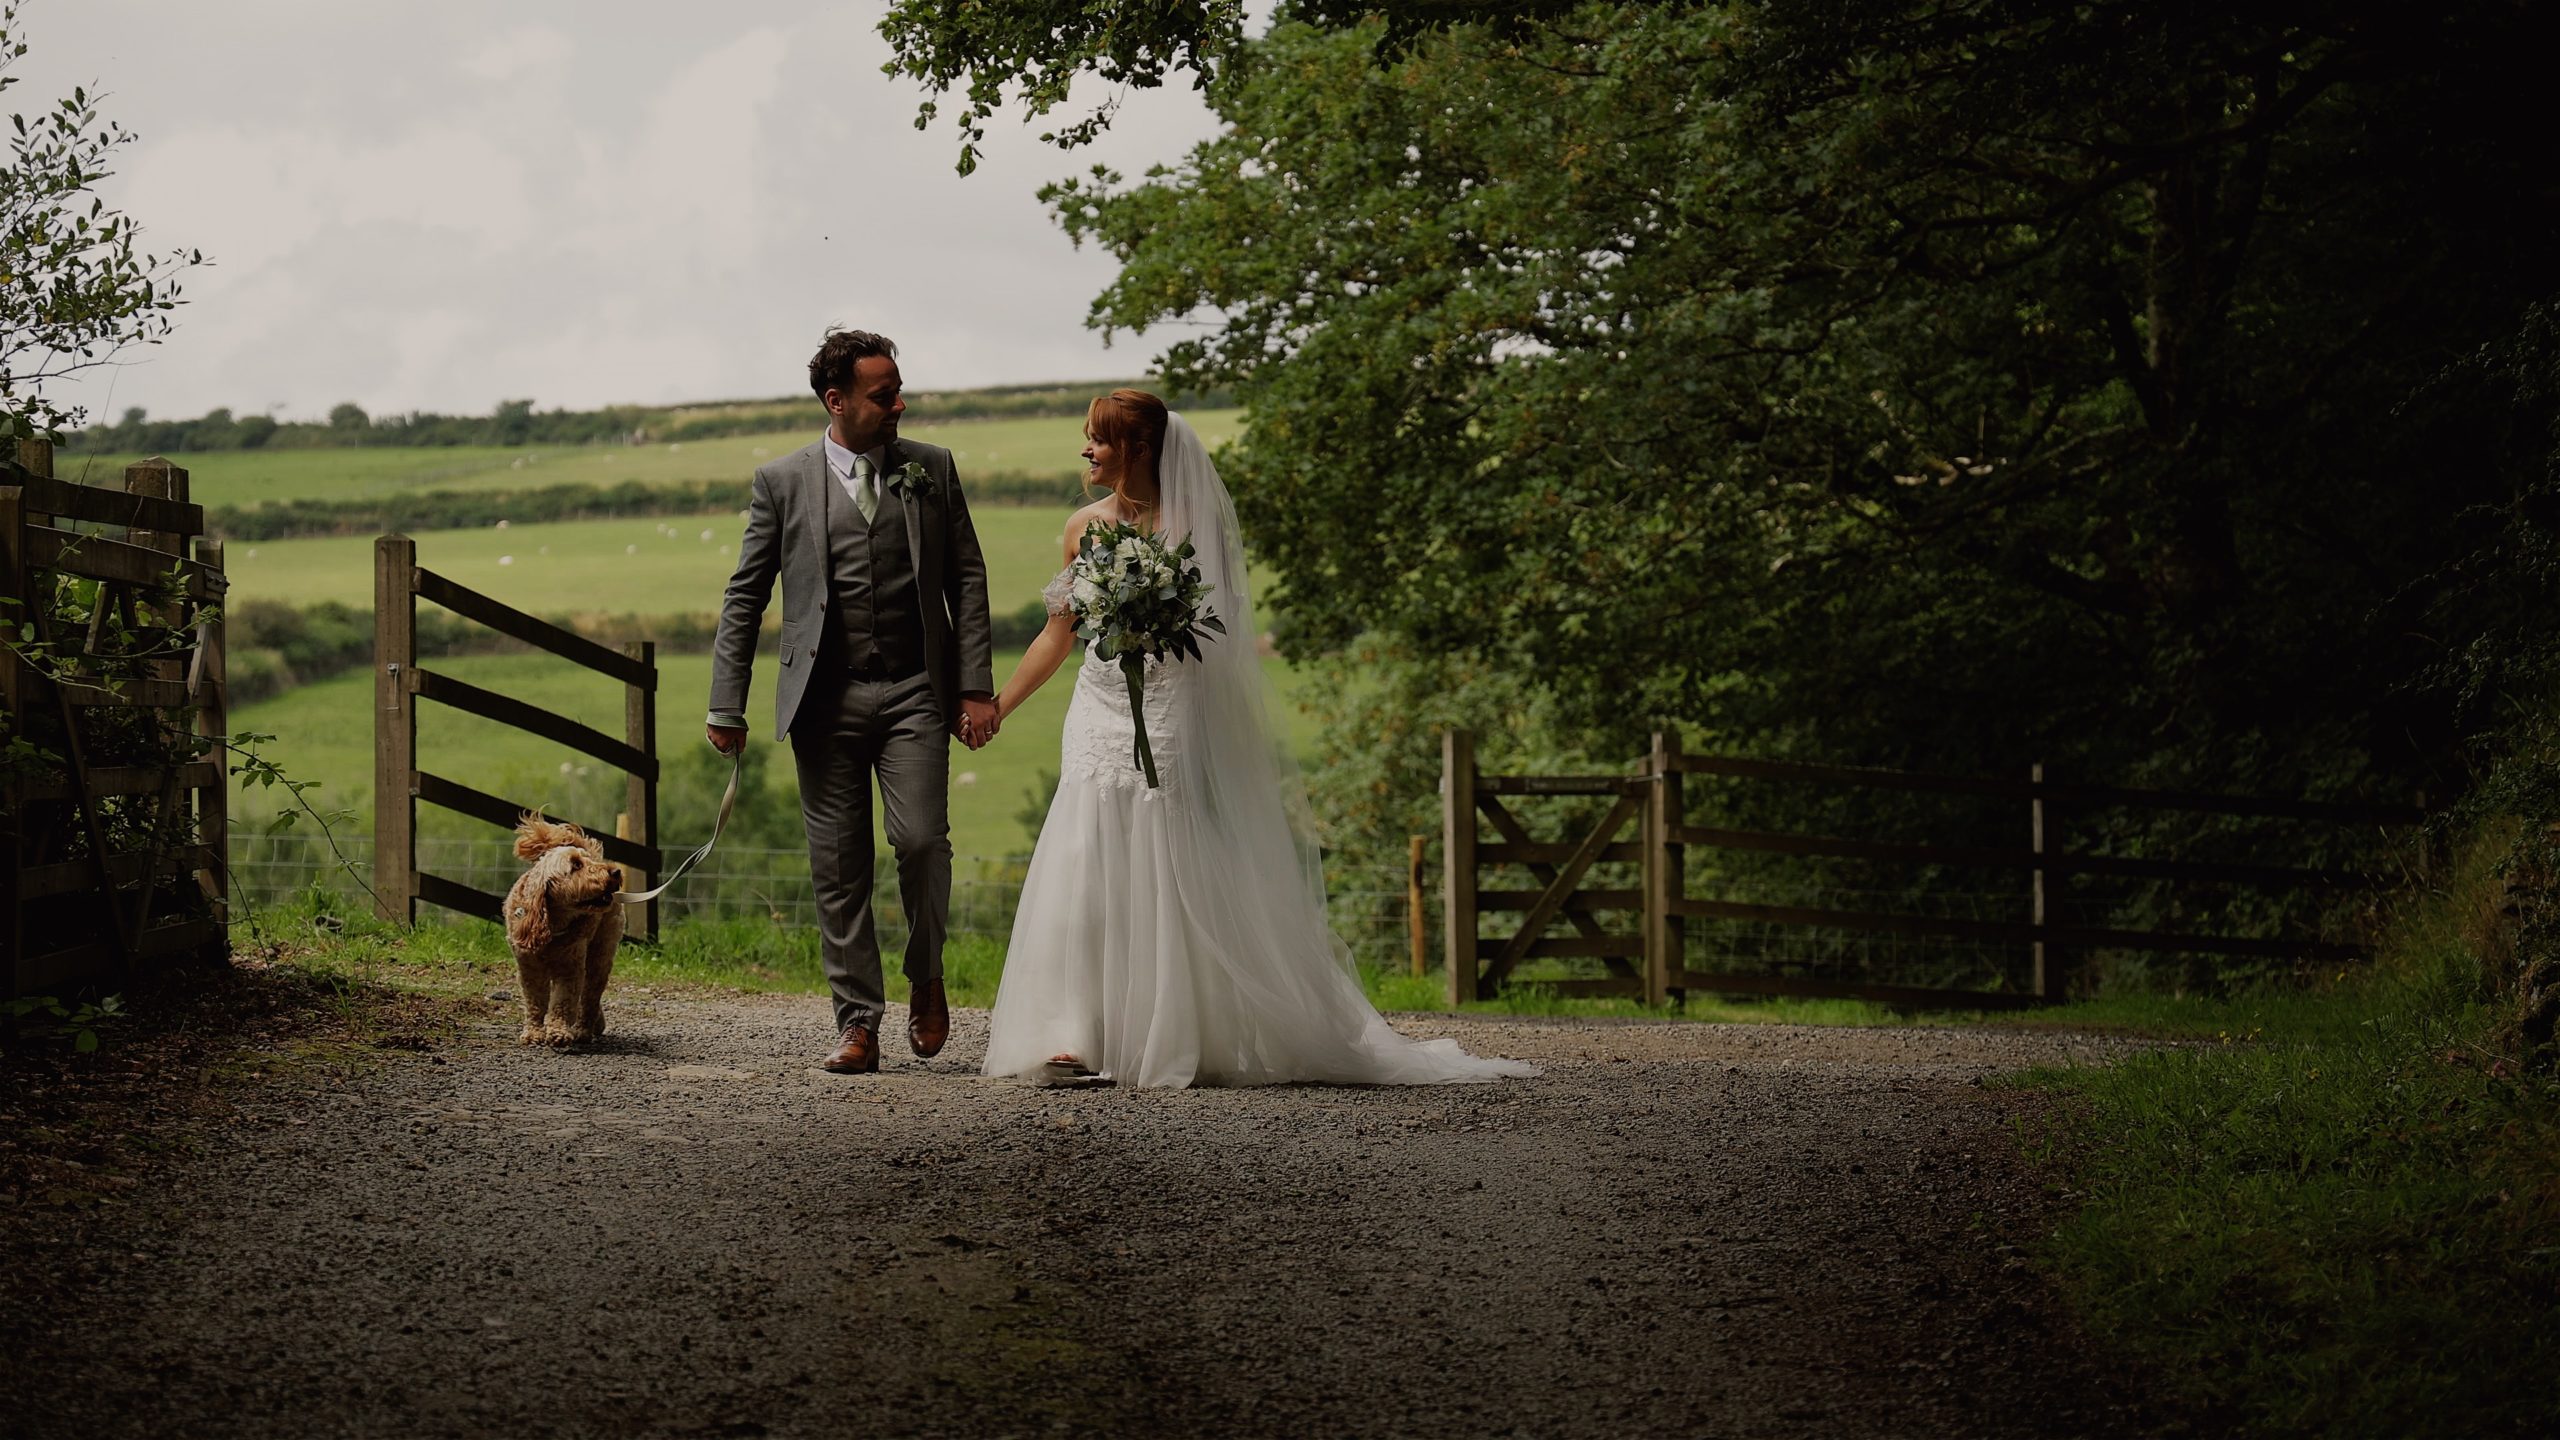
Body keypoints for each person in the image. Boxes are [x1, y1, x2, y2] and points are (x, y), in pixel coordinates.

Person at [978, 389, 1535, 1088]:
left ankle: (1167, 1027)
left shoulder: (1194, 525)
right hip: (1098, 706)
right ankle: (1074, 1031)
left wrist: (1152, 625)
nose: (1085, 450)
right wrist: (1000, 705)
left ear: (1140, 448)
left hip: (1171, 707)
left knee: (1163, 853)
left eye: (1098, 439)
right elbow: (1058, 633)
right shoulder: (1082, 528)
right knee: (1086, 852)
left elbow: (1219, 638)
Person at [705, 329, 999, 1075]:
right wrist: (725, 703)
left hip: (913, 693)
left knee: (924, 842)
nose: (899, 402)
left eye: (899, 388)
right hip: (824, 699)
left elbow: (966, 575)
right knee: (839, 866)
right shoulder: (782, 481)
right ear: (836, 401)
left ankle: (926, 974)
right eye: (882, 393)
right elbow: (746, 596)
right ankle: (857, 1021)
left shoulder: (930, 468)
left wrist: (973, 685)